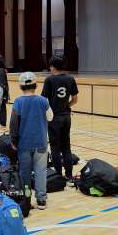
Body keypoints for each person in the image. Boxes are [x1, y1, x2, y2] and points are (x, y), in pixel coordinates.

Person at [9, 72, 53, 210]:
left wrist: (13, 141)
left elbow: (13, 124)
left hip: (24, 144)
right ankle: (41, 200)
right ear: (36, 85)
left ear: (20, 86)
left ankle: (26, 200)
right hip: (41, 143)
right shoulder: (43, 101)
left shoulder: (18, 102)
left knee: (25, 174)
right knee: (41, 172)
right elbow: (50, 117)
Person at [41, 56, 79, 185]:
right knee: (66, 147)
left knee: (55, 147)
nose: (50, 68)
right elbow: (75, 99)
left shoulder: (49, 80)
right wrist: (67, 106)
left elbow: (43, 100)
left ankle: (58, 175)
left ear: (53, 67)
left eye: (50, 66)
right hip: (66, 117)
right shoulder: (70, 79)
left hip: (54, 118)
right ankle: (69, 176)